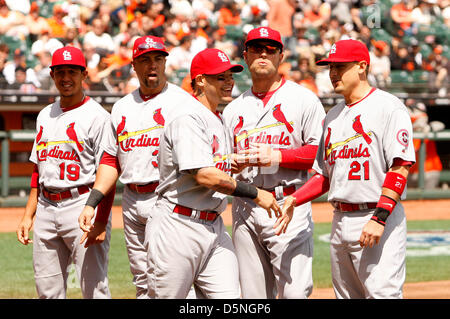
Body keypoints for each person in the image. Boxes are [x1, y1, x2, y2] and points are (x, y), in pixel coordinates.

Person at [275, 39, 416, 299]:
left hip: (375, 214)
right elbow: (325, 176)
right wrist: (294, 199)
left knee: (381, 295)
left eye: (340, 66)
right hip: (340, 218)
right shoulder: (332, 117)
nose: (333, 73)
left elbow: (400, 168)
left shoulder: (389, 108)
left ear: (362, 66)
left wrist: (379, 218)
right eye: (330, 67)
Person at [144, 47, 282, 299]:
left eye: (230, 76)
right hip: (178, 226)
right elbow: (205, 176)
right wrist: (255, 194)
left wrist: (229, 162)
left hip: (213, 226)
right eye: (221, 77)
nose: (229, 82)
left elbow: (209, 164)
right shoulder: (187, 115)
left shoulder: (215, 116)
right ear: (200, 81)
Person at [222, 26, 326, 299]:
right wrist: (230, 162)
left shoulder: (303, 99)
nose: (263, 54)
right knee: (253, 296)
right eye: (256, 48)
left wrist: (279, 156)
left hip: (287, 203)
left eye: (271, 49)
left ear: (282, 56)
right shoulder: (233, 109)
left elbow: (321, 156)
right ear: (245, 56)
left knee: (294, 294)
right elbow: (221, 160)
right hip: (246, 204)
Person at [16, 46, 113, 299]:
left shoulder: (98, 116)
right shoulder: (44, 115)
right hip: (46, 206)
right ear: (52, 75)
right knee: (47, 292)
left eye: (72, 71)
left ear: (84, 75)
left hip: (82, 204)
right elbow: (38, 169)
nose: (66, 77)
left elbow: (108, 169)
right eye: (60, 72)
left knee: (94, 290)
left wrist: (101, 219)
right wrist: (28, 215)